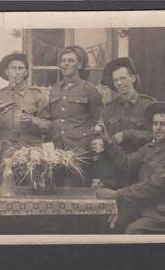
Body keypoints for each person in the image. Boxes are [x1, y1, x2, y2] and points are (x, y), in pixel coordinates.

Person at [93, 102, 165, 234]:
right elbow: (127, 164)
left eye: (163, 124)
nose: (158, 128)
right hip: (144, 207)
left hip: (164, 214)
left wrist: (117, 194)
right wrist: (108, 141)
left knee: (132, 231)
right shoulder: (150, 148)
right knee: (112, 226)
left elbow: (152, 187)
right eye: (155, 124)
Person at [0, 52, 51, 184]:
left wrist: (32, 120)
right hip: (4, 154)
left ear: (26, 72)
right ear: (7, 72)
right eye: (13, 68)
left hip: (30, 155)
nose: (17, 72)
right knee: (3, 192)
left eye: (21, 68)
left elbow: (49, 126)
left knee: (30, 195)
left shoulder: (36, 95)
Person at [95, 57, 156, 189]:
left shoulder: (149, 105)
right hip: (115, 173)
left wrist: (128, 135)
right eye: (116, 80)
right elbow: (103, 136)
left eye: (122, 78)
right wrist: (99, 142)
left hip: (142, 171)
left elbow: (157, 136)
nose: (119, 83)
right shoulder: (109, 109)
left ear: (133, 78)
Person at [48, 45, 102, 187]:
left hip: (80, 153)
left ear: (80, 64)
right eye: (63, 60)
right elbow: (51, 119)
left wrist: (96, 147)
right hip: (57, 152)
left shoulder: (89, 89)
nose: (66, 63)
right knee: (56, 195)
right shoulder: (54, 89)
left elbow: (98, 121)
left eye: (71, 60)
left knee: (80, 196)